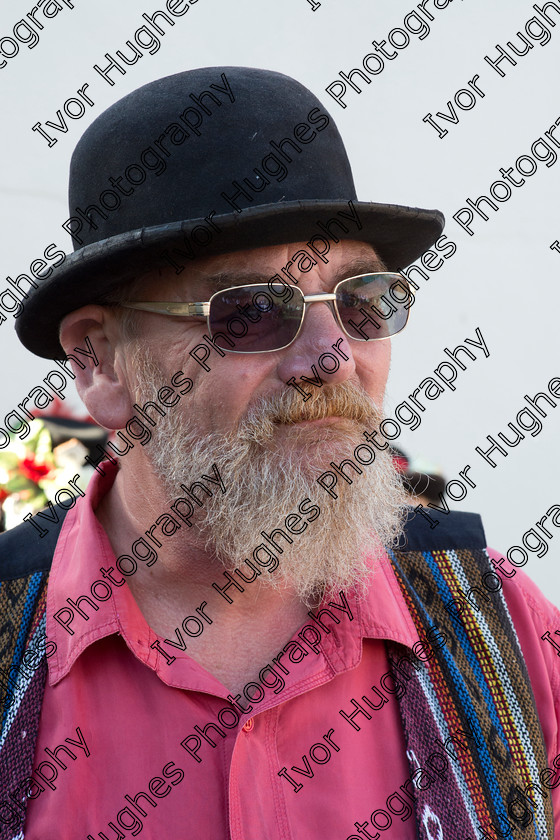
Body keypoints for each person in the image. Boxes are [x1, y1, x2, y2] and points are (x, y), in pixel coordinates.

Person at [1, 67, 559, 840]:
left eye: (363, 301)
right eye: (254, 311)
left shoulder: (504, 631)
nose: (333, 359)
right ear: (99, 363)